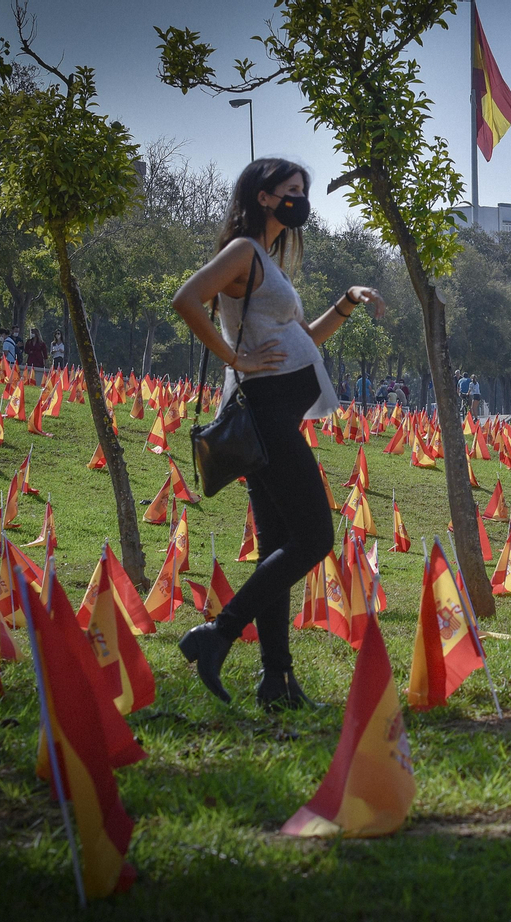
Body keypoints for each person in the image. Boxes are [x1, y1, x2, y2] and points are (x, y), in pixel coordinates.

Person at [170, 157, 383, 710]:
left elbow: (302, 336)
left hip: (278, 413)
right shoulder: (243, 251)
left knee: (277, 547)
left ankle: (276, 681)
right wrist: (233, 356)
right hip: (263, 412)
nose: (299, 199)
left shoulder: (267, 258)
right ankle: (218, 633)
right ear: (263, 197)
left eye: (302, 191)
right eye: (291, 190)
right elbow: (186, 299)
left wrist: (347, 301)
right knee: (314, 539)